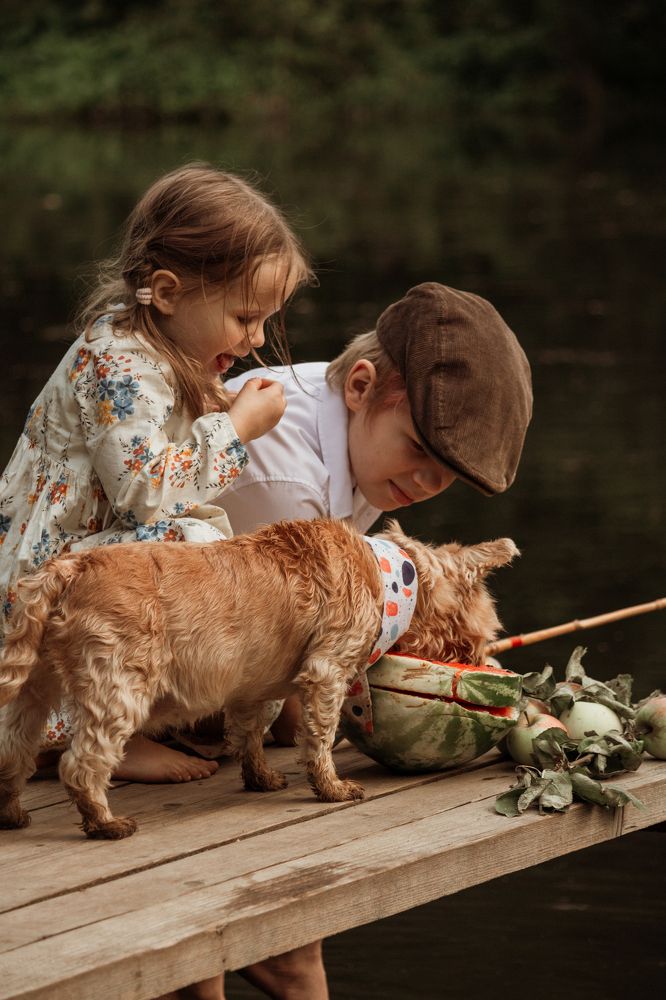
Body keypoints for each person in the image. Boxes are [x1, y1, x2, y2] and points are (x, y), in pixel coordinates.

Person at [179, 281, 532, 997]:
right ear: (364, 384)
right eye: (421, 452)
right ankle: (235, 952)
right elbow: (272, 649)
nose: (430, 482)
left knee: (300, 740)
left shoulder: (362, 438)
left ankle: (266, 947)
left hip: (234, 644)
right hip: (156, 656)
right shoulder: (283, 474)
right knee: (298, 740)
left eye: (450, 476)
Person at [0, 162, 311, 785]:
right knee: (195, 553)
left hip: (84, 563)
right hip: (43, 577)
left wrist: (215, 403)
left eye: (264, 323)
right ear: (167, 293)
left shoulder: (164, 347)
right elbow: (143, 492)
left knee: (205, 557)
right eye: (245, 317)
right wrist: (237, 427)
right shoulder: (119, 362)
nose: (253, 341)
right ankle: (107, 734)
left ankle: (140, 716)